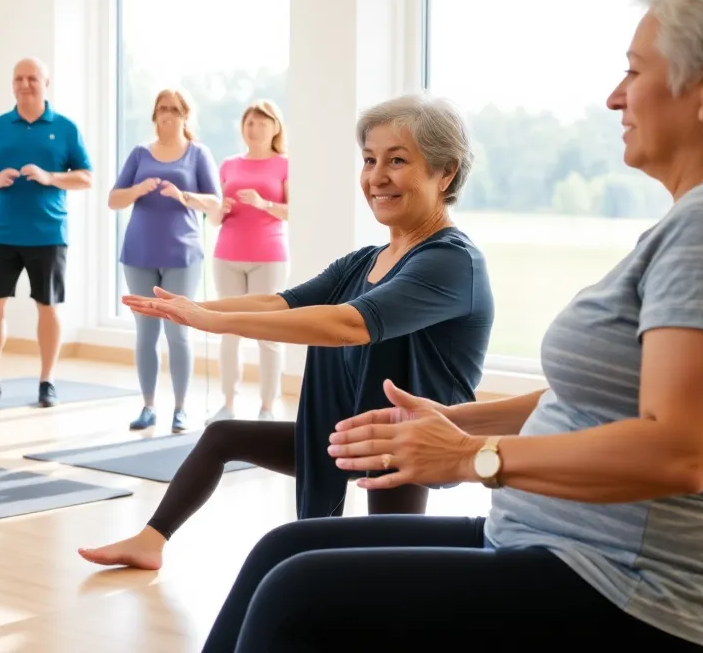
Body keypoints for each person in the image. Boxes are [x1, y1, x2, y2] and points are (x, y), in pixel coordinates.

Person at [200, 0, 703, 653]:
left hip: (634, 586)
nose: (615, 96)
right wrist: (454, 421)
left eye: (635, 71)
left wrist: (473, 457)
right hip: (556, 542)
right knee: (285, 549)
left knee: (297, 595)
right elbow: (614, 401)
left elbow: (680, 451)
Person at [78, 92, 494, 572]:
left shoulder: (450, 261)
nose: (377, 176)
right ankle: (150, 541)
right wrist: (193, 309)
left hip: (414, 437)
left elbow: (350, 324)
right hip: (353, 431)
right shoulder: (363, 261)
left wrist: (216, 322)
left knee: (384, 565)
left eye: (396, 161)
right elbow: (280, 302)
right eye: (369, 160)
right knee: (222, 436)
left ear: (445, 173)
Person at [0, 57, 92, 408]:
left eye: (32, 78)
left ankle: (47, 380)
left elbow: (85, 177)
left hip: (48, 234)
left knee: (48, 307)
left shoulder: (65, 128)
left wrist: (50, 177)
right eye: (19, 78)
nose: (25, 84)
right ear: (12, 84)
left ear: (46, 84)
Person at [109, 88, 221, 433]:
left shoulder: (198, 154)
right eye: (162, 109)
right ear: (154, 115)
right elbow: (114, 199)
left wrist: (183, 195)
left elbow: (215, 202)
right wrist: (138, 190)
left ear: (185, 115)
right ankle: (148, 406)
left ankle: (181, 408)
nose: (167, 114)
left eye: (174, 109)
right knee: (146, 333)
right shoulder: (139, 154)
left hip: (182, 255)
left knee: (178, 333)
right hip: (139, 254)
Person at [204, 100, 290, 425]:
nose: (254, 129)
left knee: (268, 334)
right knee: (229, 332)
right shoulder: (228, 164)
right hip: (227, 255)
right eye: (249, 123)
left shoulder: (284, 164)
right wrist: (219, 210)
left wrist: (263, 203)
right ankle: (227, 404)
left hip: (269, 258)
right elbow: (213, 219)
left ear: (275, 127)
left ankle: (267, 407)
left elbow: (293, 211)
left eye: (262, 123)